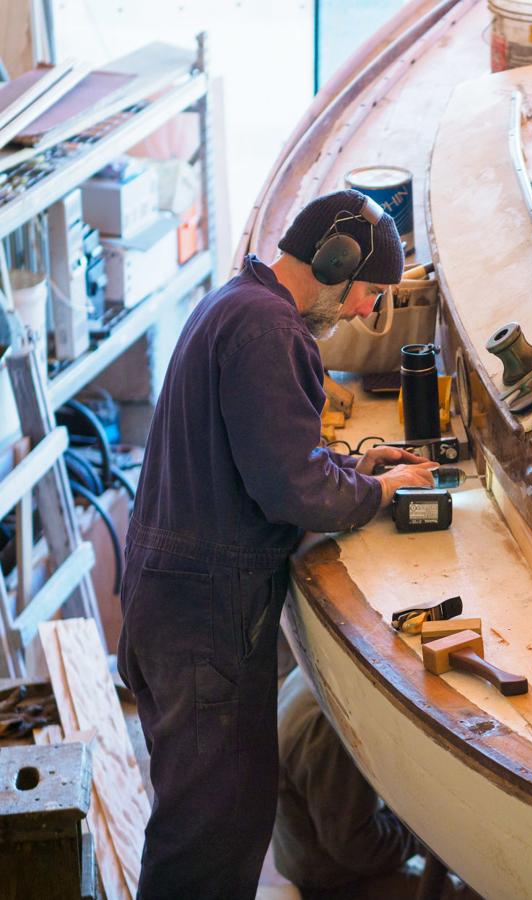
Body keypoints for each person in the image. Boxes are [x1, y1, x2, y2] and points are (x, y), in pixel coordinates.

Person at [118, 189, 437, 899]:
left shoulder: (237, 302)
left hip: (177, 599)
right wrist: (379, 492)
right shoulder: (271, 332)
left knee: (212, 819)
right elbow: (295, 493)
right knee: (209, 835)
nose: (365, 314)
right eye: (370, 295)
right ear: (335, 262)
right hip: (204, 620)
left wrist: (355, 467)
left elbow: (265, 462)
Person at [273, 667, 416, 899]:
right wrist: (427, 836)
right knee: (454, 892)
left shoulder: (314, 669)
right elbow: (360, 848)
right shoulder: (334, 730)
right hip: (331, 880)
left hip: (304, 851)